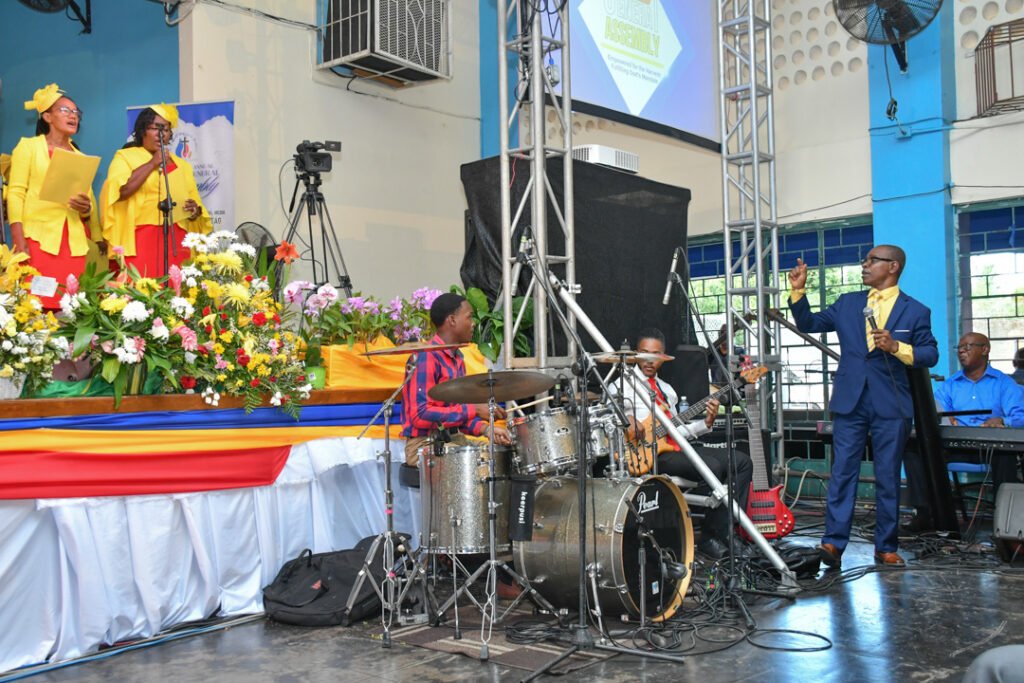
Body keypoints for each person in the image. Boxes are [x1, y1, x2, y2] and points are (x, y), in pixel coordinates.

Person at [789, 245, 938, 569]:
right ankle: (833, 543)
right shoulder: (848, 303)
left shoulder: (915, 311)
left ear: (893, 266)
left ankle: (885, 546)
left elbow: (930, 354)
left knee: (887, 476)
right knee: (843, 472)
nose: (865, 264)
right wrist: (798, 292)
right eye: (866, 260)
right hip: (850, 400)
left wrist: (898, 347)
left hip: (891, 403)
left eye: (873, 260)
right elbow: (809, 323)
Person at [615, 327, 754, 560]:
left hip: (673, 447)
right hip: (647, 455)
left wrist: (706, 422)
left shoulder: (668, 392)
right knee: (711, 466)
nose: (649, 360)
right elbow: (608, 419)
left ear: (664, 356)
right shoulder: (622, 386)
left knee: (741, 462)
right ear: (635, 354)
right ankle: (711, 537)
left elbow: (677, 432)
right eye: (644, 353)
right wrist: (627, 421)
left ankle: (720, 532)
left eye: (655, 354)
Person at [7, 83, 98, 308]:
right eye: (65, 110)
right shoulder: (28, 147)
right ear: (47, 117)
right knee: (37, 302)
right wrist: (19, 239)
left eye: (76, 112)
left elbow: (88, 203)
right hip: (38, 240)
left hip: (72, 242)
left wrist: (85, 208)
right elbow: (16, 193)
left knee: (68, 305)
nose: (73, 116)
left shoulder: (80, 156)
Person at [401, 292, 511, 467]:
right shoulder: (427, 357)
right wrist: (474, 409)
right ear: (452, 320)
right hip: (424, 444)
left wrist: (487, 429)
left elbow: (456, 413)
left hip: (452, 438)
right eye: (469, 317)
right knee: (476, 464)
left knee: (503, 456)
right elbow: (419, 415)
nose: (473, 324)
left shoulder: (457, 358)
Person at [103, 104, 211, 277]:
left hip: (176, 236)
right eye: (156, 128)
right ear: (143, 130)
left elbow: (196, 202)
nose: (162, 134)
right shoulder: (125, 157)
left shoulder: (182, 165)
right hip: (141, 236)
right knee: (142, 289)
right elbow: (121, 192)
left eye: (166, 129)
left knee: (175, 291)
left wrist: (194, 210)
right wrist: (153, 163)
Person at [933, 332, 1024, 491]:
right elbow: (938, 411)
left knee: (1006, 455)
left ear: (985, 350)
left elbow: (1020, 417)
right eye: (959, 347)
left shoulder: (1004, 383)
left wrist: (1002, 421)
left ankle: (1001, 511)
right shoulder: (950, 385)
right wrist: (944, 418)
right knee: (919, 450)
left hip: (991, 448)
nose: (961, 351)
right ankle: (931, 511)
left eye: (967, 346)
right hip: (956, 446)